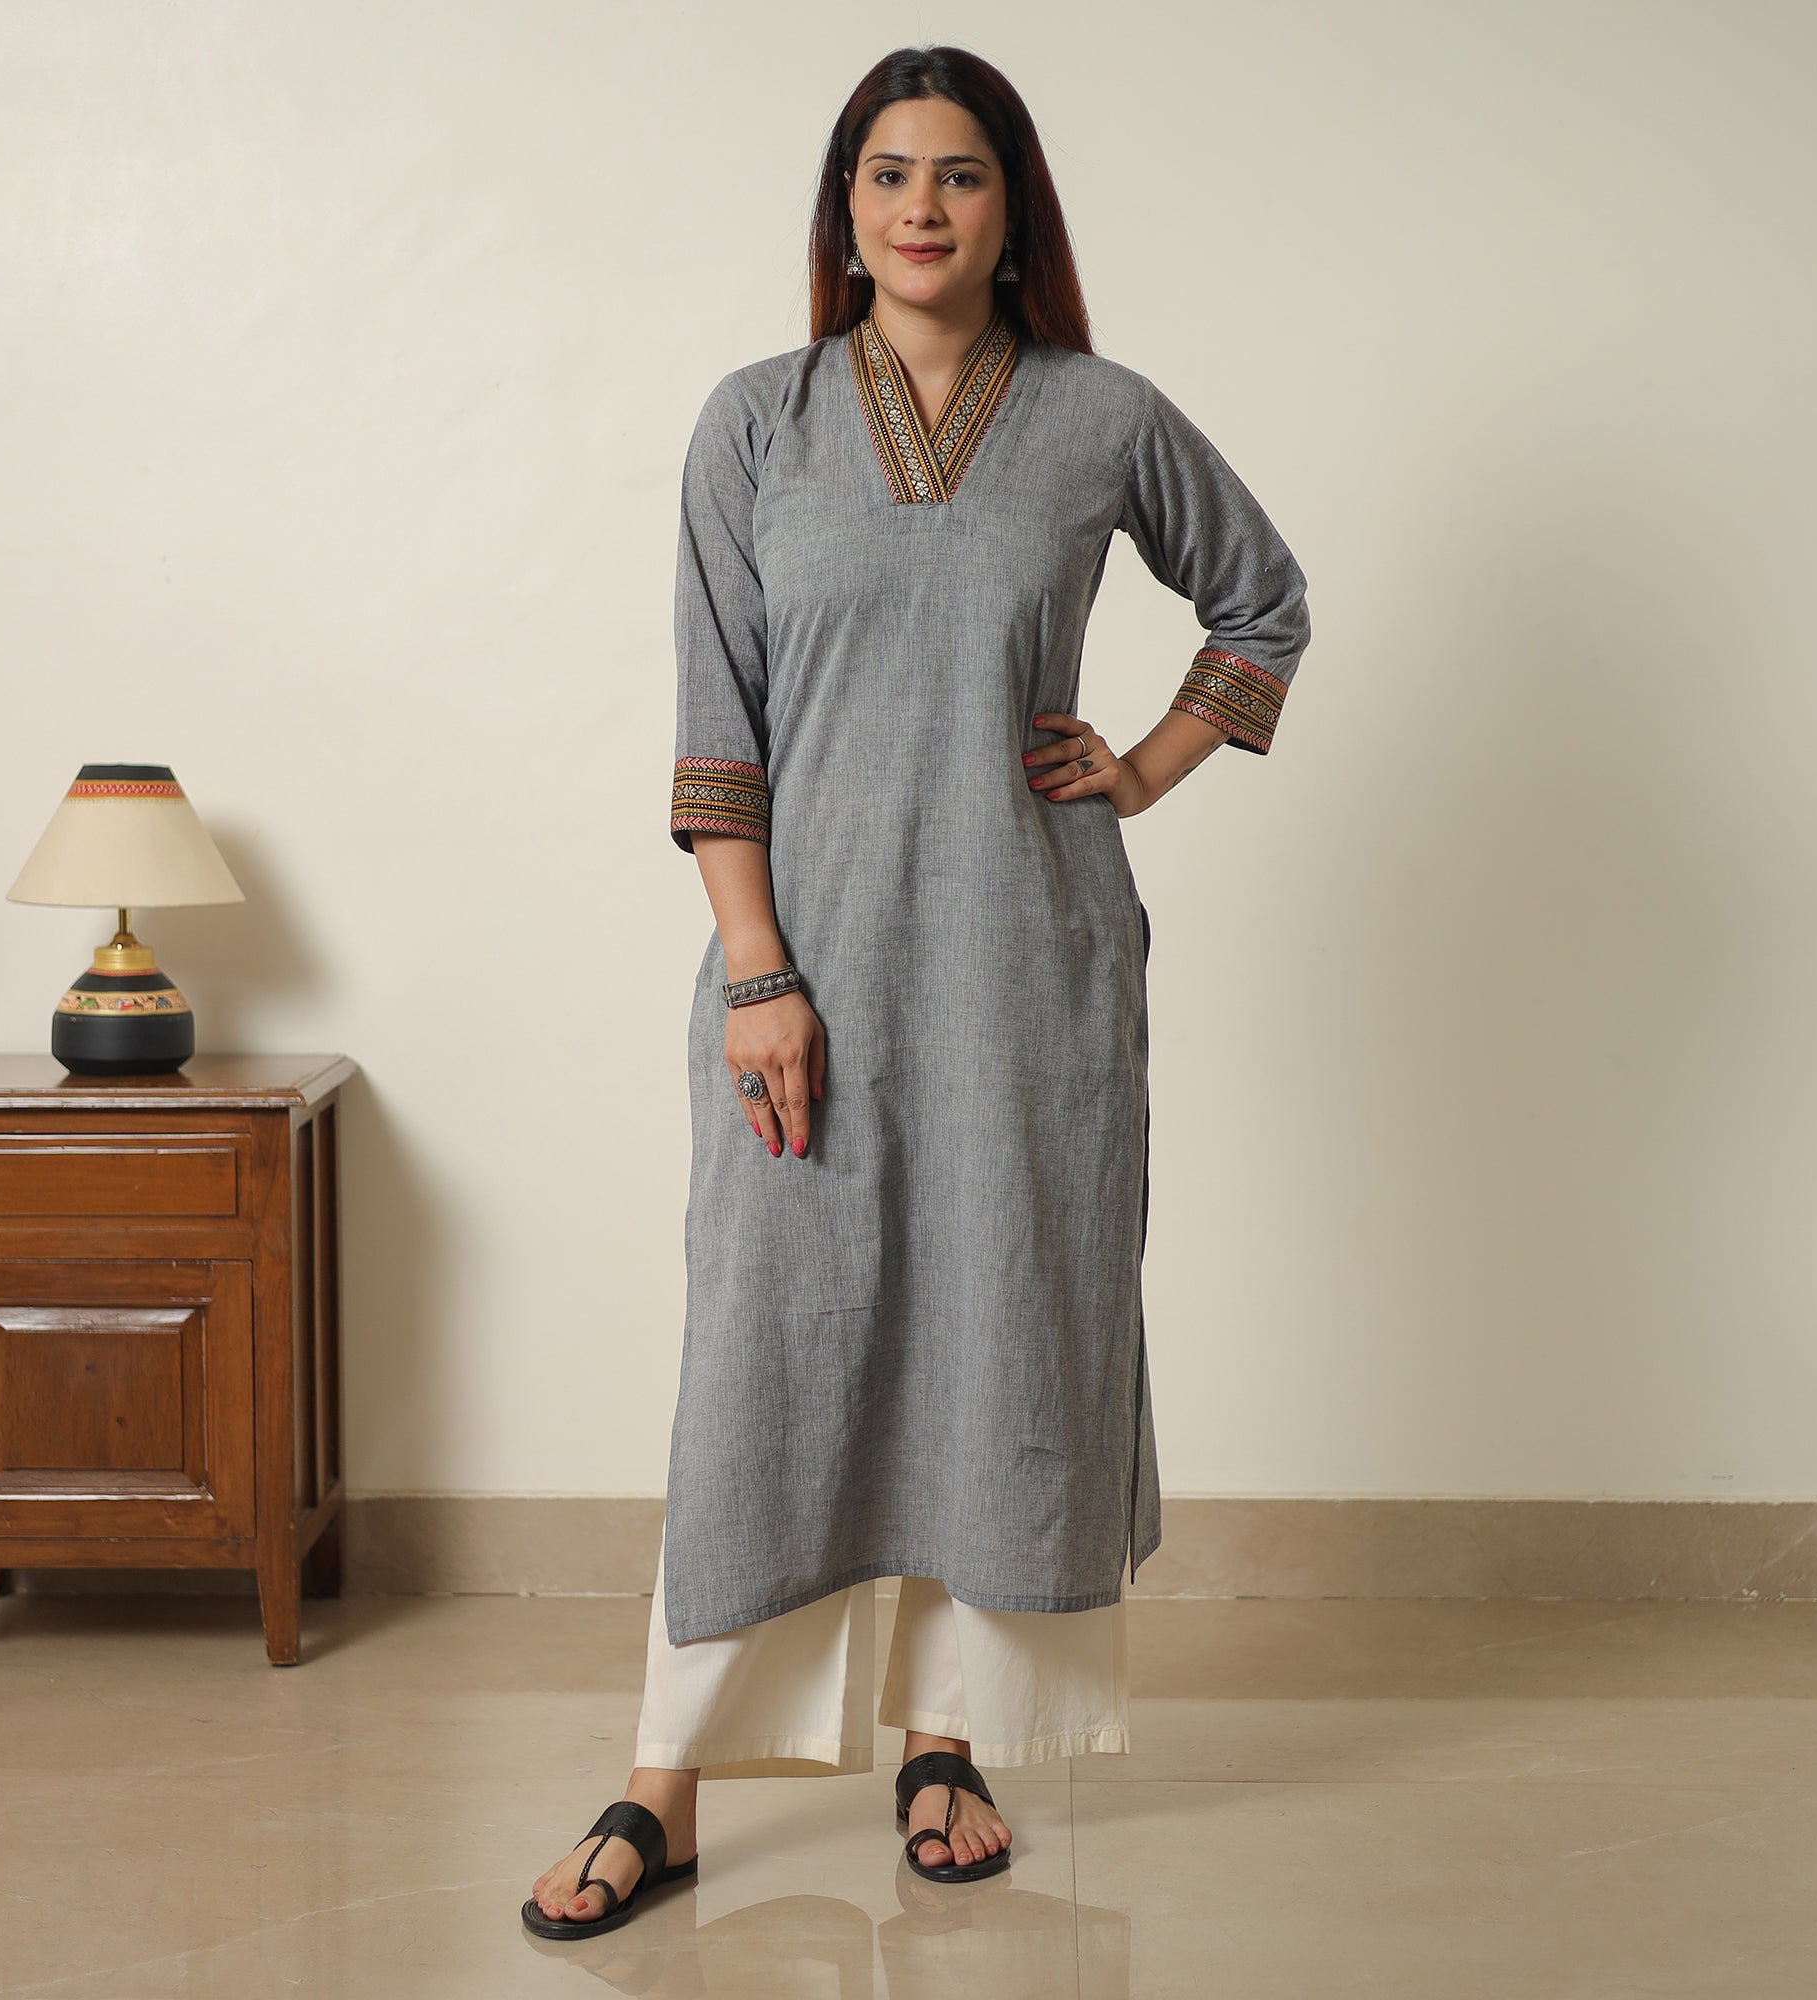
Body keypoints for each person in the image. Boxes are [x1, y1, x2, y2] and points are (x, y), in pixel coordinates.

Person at [525, 42, 1311, 1938]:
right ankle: (665, 1784)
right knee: (764, 1360)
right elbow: (719, 731)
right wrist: (759, 974)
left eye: (959, 174)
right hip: (805, 969)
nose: (922, 207)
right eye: (888, 174)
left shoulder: (1101, 415)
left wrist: (1144, 766)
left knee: (997, 1337)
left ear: (1011, 207)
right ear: (846, 206)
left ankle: (947, 1746)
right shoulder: (760, 423)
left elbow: (1262, 601)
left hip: (1031, 968)